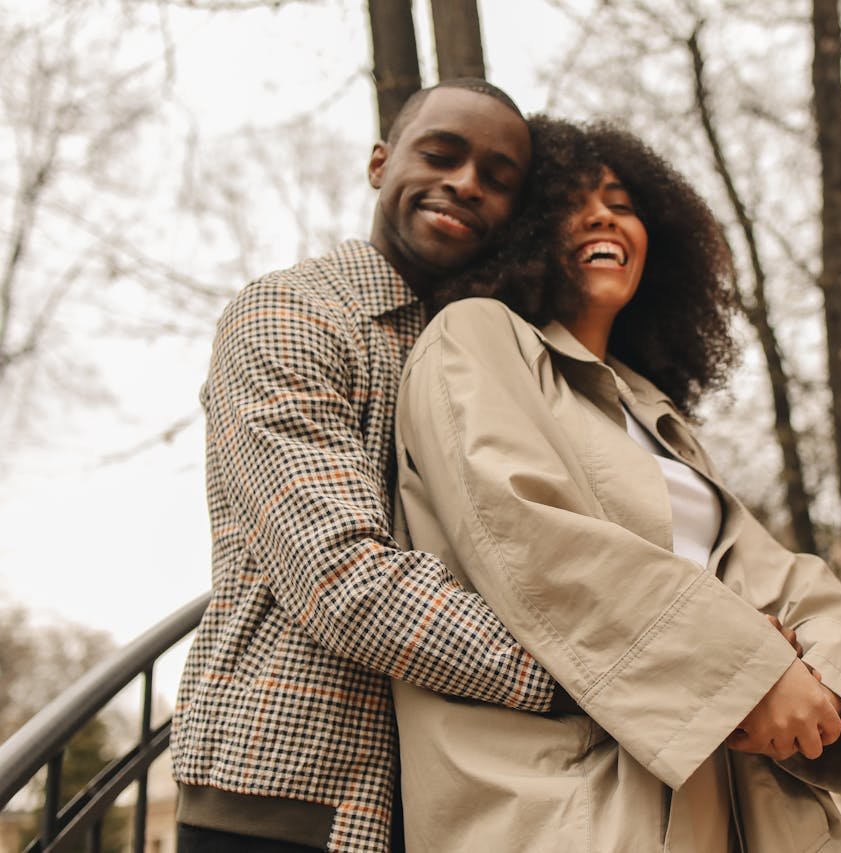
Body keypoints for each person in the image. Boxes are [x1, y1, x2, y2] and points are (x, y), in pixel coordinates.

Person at [392, 117, 841, 852]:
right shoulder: (478, 336)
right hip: (575, 801)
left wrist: (816, 684)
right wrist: (751, 669)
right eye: (572, 201)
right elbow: (533, 541)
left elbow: (798, 588)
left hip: (740, 801)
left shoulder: (654, 412)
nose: (602, 215)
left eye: (622, 202)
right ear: (527, 230)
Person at [171, 80, 566, 853]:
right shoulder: (289, 314)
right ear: (381, 163)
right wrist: (591, 672)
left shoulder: (495, 357)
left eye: (497, 177)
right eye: (442, 154)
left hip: (455, 792)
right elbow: (342, 580)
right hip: (288, 797)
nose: (465, 183)